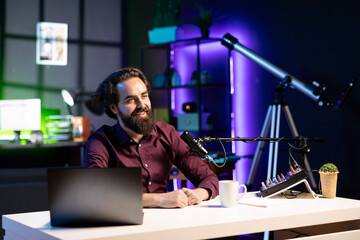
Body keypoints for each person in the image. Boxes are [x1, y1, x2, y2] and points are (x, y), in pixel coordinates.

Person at [84, 67, 219, 208]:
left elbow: (208, 178)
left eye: (144, 96)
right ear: (114, 108)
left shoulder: (167, 133)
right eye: (130, 100)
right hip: (122, 225)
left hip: (165, 223)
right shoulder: (100, 141)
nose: (141, 105)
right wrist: (157, 200)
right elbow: (93, 190)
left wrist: (200, 193)